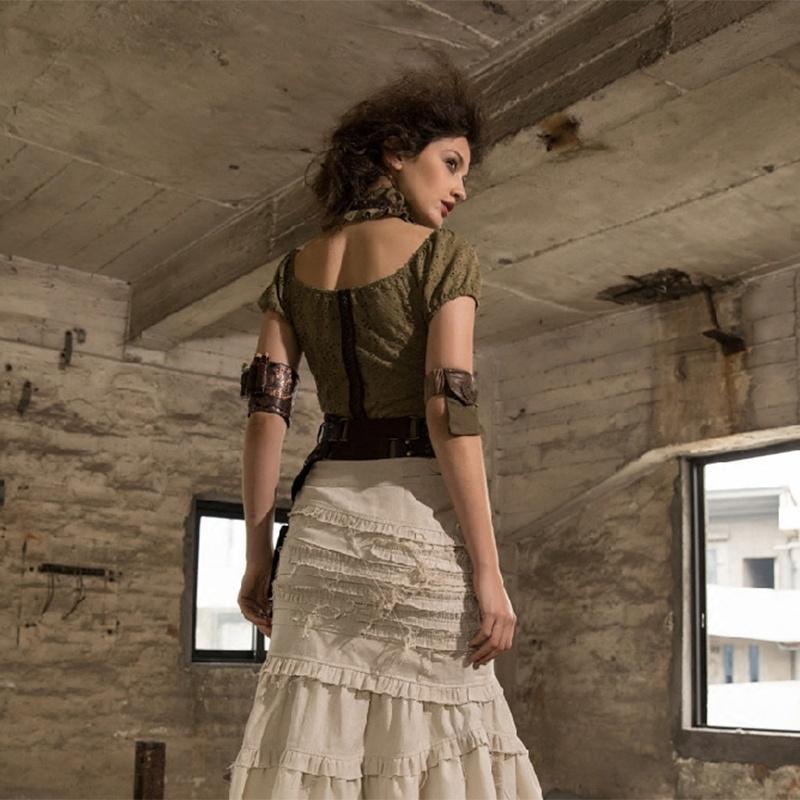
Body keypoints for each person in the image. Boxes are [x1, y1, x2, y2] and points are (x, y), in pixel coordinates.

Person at [227, 56, 544, 799]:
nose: (461, 188)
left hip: (319, 537)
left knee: (314, 746)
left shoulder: (292, 270)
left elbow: (265, 418)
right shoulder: (444, 257)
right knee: (438, 748)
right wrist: (490, 573)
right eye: (451, 163)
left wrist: (256, 558)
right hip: (414, 533)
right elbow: (448, 412)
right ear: (396, 153)